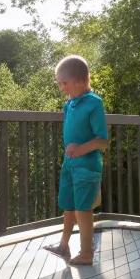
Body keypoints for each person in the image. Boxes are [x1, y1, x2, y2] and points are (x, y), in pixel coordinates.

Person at [45, 54, 108, 267]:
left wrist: (81, 149)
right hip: (70, 164)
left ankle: (87, 253)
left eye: (64, 83)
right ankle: (64, 246)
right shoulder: (69, 105)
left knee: (83, 208)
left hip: (87, 167)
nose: (61, 88)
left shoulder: (94, 103)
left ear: (80, 81)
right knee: (69, 205)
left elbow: (103, 141)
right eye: (59, 83)